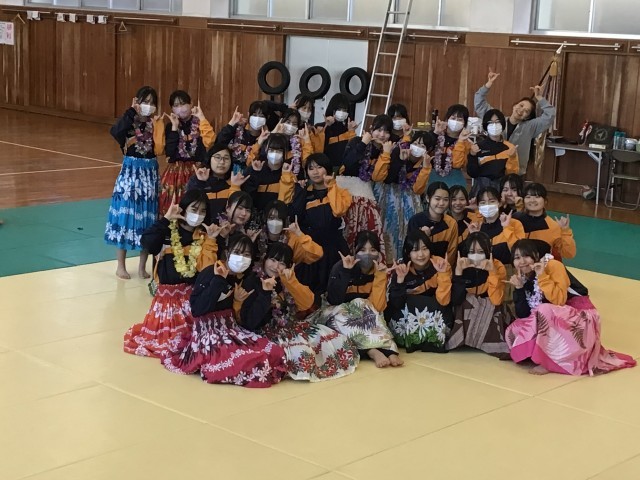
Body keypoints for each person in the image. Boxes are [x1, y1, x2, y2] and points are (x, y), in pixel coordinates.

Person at [162, 233, 288, 387]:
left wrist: (262, 294)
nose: (241, 258)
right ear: (227, 253)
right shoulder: (211, 272)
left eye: (246, 255)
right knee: (247, 361)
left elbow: (249, 321)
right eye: (237, 252)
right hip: (208, 332)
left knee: (274, 352)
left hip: (232, 329)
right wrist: (218, 281)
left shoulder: (246, 279)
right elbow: (197, 309)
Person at [505, 239, 636, 375]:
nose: (522, 261)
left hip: (581, 316)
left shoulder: (553, 265)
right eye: (517, 258)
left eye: (526, 256)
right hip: (558, 316)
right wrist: (519, 288)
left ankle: (548, 362)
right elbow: (524, 314)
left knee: (544, 310)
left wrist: (542, 276)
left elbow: (559, 300)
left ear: (536, 255)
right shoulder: (524, 276)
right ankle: (533, 355)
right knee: (515, 327)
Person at [239, 243, 359, 382]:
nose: (276, 266)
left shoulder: (286, 280)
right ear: (264, 259)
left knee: (338, 342)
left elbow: (307, 303)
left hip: (289, 327)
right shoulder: (252, 281)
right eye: (273, 260)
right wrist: (265, 294)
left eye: (282, 263)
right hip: (264, 333)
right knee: (303, 354)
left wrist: (291, 282)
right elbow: (250, 321)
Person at [123, 190, 218, 358]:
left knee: (201, 345)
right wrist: (166, 218)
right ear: (183, 209)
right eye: (194, 209)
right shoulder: (167, 230)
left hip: (191, 299)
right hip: (166, 302)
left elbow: (207, 269)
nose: (198, 214)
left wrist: (211, 240)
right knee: (170, 344)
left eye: (203, 211)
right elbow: (147, 243)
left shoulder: (204, 236)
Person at [105, 86, 164, 280]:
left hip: (150, 175)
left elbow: (162, 147)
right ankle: (120, 266)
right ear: (137, 101)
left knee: (148, 219)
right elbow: (115, 132)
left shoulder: (156, 124)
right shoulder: (128, 122)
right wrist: (131, 112)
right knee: (125, 216)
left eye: (152, 102)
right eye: (145, 101)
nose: (148, 105)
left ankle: (142, 267)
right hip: (130, 173)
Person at [321, 231, 403, 368]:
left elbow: (377, 306)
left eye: (373, 250)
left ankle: (389, 351)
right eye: (363, 250)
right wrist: (346, 272)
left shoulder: (379, 270)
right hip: (338, 312)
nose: (368, 254)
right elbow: (334, 300)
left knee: (372, 312)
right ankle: (371, 351)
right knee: (348, 314)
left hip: (365, 313)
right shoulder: (341, 266)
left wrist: (380, 277)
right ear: (355, 250)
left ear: (378, 253)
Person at [289, 153, 352, 295]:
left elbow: (338, 210)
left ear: (327, 169)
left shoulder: (341, 192)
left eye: (319, 167)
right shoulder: (305, 194)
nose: (315, 172)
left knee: (336, 289)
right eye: (311, 168)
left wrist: (331, 186)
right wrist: (300, 192)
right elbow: (295, 217)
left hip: (334, 247)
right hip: (311, 248)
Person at [474, 69, 556, 175]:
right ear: (514, 105)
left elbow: (550, 115)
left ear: (527, 117)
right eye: (521, 105)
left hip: (516, 173)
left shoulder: (530, 127)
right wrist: (488, 84)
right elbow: (479, 103)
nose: (521, 110)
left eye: (526, 111)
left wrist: (539, 97)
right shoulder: (497, 119)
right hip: (492, 171)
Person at [446, 232, 511, 358]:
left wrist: (492, 272)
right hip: (466, 309)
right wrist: (459, 272)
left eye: (480, 252)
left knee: (490, 305)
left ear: (488, 251)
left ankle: (483, 342)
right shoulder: (461, 264)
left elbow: (496, 300)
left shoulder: (497, 266)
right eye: (472, 251)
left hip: (490, 310)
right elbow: (456, 300)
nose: (476, 255)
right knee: (466, 302)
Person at [387, 230, 452, 353]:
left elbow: (444, 301)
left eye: (424, 249)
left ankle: (433, 340)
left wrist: (443, 274)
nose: (421, 254)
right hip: (408, 320)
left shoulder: (440, 264)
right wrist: (400, 280)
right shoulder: (401, 268)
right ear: (408, 253)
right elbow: (396, 304)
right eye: (415, 250)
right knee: (411, 302)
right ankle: (412, 340)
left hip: (435, 316)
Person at [372, 131, 430, 262]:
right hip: (388, 196)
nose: (417, 147)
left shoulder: (425, 163)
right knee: (386, 230)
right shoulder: (398, 150)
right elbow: (387, 179)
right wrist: (399, 160)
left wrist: (426, 168)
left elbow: (418, 189)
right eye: (416, 143)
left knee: (407, 231)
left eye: (422, 146)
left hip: (410, 200)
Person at [339, 114, 392, 258]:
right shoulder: (357, 141)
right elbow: (347, 163)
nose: (382, 135)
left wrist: (386, 154)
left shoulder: (387, 150)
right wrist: (363, 144)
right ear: (371, 128)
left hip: (368, 197)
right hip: (346, 194)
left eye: (386, 131)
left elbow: (378, 177)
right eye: (379, 130)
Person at [159, 90, 215, 216]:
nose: (180, 108)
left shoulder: (200, 123)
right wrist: (174, 128)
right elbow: (169, 153)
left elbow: (210, 142)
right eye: (176, 105)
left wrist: (202, 117)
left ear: (191, 104)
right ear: (172, 109)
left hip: (197, 170)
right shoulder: (170, 126)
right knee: (172, 206)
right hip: (175, 173)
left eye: (183, 104)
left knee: (196, 205)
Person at [186, 145, 250, 223]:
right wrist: (200, 182)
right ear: (209, 159)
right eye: (217, 157)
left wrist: (235, 186)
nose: (222, 162)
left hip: (226, 227)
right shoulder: (197, 180)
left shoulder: (235, 182)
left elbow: (235, 211)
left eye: (226, 158)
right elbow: (192, 205)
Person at [514, 183, 575, 261]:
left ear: (545, 201)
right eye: (528, 197)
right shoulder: (515, 219)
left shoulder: (552, 226)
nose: (532, 200)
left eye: (537, 197)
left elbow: (569, 254)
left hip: (541, 265)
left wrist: (565, 231)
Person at [467, 186, 525, 267]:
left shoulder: (514, 223)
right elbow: (471, 258)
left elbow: (519, 252)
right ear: (478, 206)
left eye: (492, 201)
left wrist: (507, 228)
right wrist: (475, 236)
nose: (487, 205)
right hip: (483, 270)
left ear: (500, 203)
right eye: (483, 203)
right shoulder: (475, 226)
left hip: (509, 271)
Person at [467, 109, 519, 197]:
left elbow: (512, 175)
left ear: (502, 125)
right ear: (486, 126)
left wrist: (512, 157)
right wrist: (472, 155)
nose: (494, 125)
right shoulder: (478, 146)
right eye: (490, 122)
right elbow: (472, 173)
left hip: (501, 189)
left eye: (497, 122)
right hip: (480, 188)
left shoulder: (510, 147)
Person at [254, 199, 323, 265]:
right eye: (271, 218)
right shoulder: (256, 235)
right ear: (265, 219)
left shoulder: (293, 240)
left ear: (285, 220)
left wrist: (300, 235)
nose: (275, 222)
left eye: (279, 218)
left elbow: (317, 254)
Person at [407, 182, 458, 267]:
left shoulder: (451, 223)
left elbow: (451, 253)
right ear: (428, 198)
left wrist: (444, 268)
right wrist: (423, 237)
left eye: (445, 199)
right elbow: (410, 250)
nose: (441, 203)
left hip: (442, 268)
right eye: (437, 199)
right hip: (418, 268)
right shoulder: (415, 221)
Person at [424, 104, 471, 187]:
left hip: (455, 181)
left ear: (464, 124)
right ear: (447, 119)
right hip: (433, 178)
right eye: (453, 118)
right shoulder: (436, 135)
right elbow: (425, 150)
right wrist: (435, 132)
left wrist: (460, 141)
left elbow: (457, 164)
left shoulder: (466, 142)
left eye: (460, 119)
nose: (456, 121)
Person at [215, 101, 266, 174]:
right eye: (254, 115)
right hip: (228, 172)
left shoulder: (265, 138)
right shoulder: (237, 128)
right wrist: (232, 123)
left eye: (261, 116)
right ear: (248, 114)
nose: (257, 119)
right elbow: (219, 143)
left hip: (250, 174)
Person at [314, 93, 359, 170]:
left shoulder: (348, 129)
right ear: (332, 109)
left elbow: (352, 152)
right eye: (339, 109)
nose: (342, 112)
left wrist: (351, 131)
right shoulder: (320, 127)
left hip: (342, 170)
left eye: (344, 110)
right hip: (323, 168)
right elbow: (318, 150)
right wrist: (327, 126)